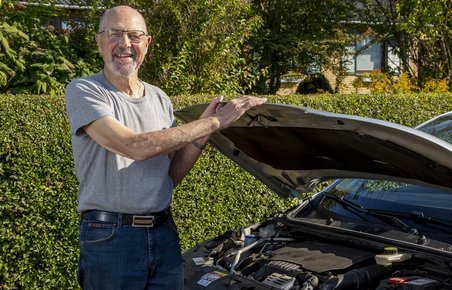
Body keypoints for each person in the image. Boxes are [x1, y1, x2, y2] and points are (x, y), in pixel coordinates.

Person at [64, 5, 266, 290]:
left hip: (163, 232)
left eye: (134, 36)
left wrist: (204, 130)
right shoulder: (85, 90)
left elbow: (169, 174)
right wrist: (214, 122)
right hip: (110, 237)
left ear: (147, 43)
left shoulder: (160, 99)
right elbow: (133, 146)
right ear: (99, 41)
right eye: (115, 34)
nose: (125, 44)